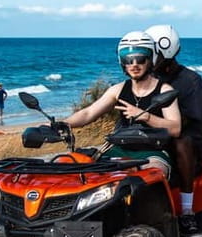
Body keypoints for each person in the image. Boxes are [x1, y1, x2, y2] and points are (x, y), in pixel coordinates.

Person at [62, 31, 181, 178]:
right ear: (122, 62)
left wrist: (145, 116)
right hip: (119, 149)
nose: (134, 65)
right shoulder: (117, 90)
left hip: (153, 152)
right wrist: (62, 124)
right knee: (85, 175)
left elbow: (176, 128)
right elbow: (88, 113)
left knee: (153, 174)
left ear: (151, 59)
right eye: (128, 60)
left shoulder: (164, 90)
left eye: (140, 59)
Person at [145, 24, 202, 237]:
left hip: (186, 142)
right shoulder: (146, 80)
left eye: (152, 52)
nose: (147, 58)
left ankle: (187, 212)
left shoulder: (190, 81)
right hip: (152, 140)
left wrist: (155, 123)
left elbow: (186, 120)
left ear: (166, 52)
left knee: (182, 141)